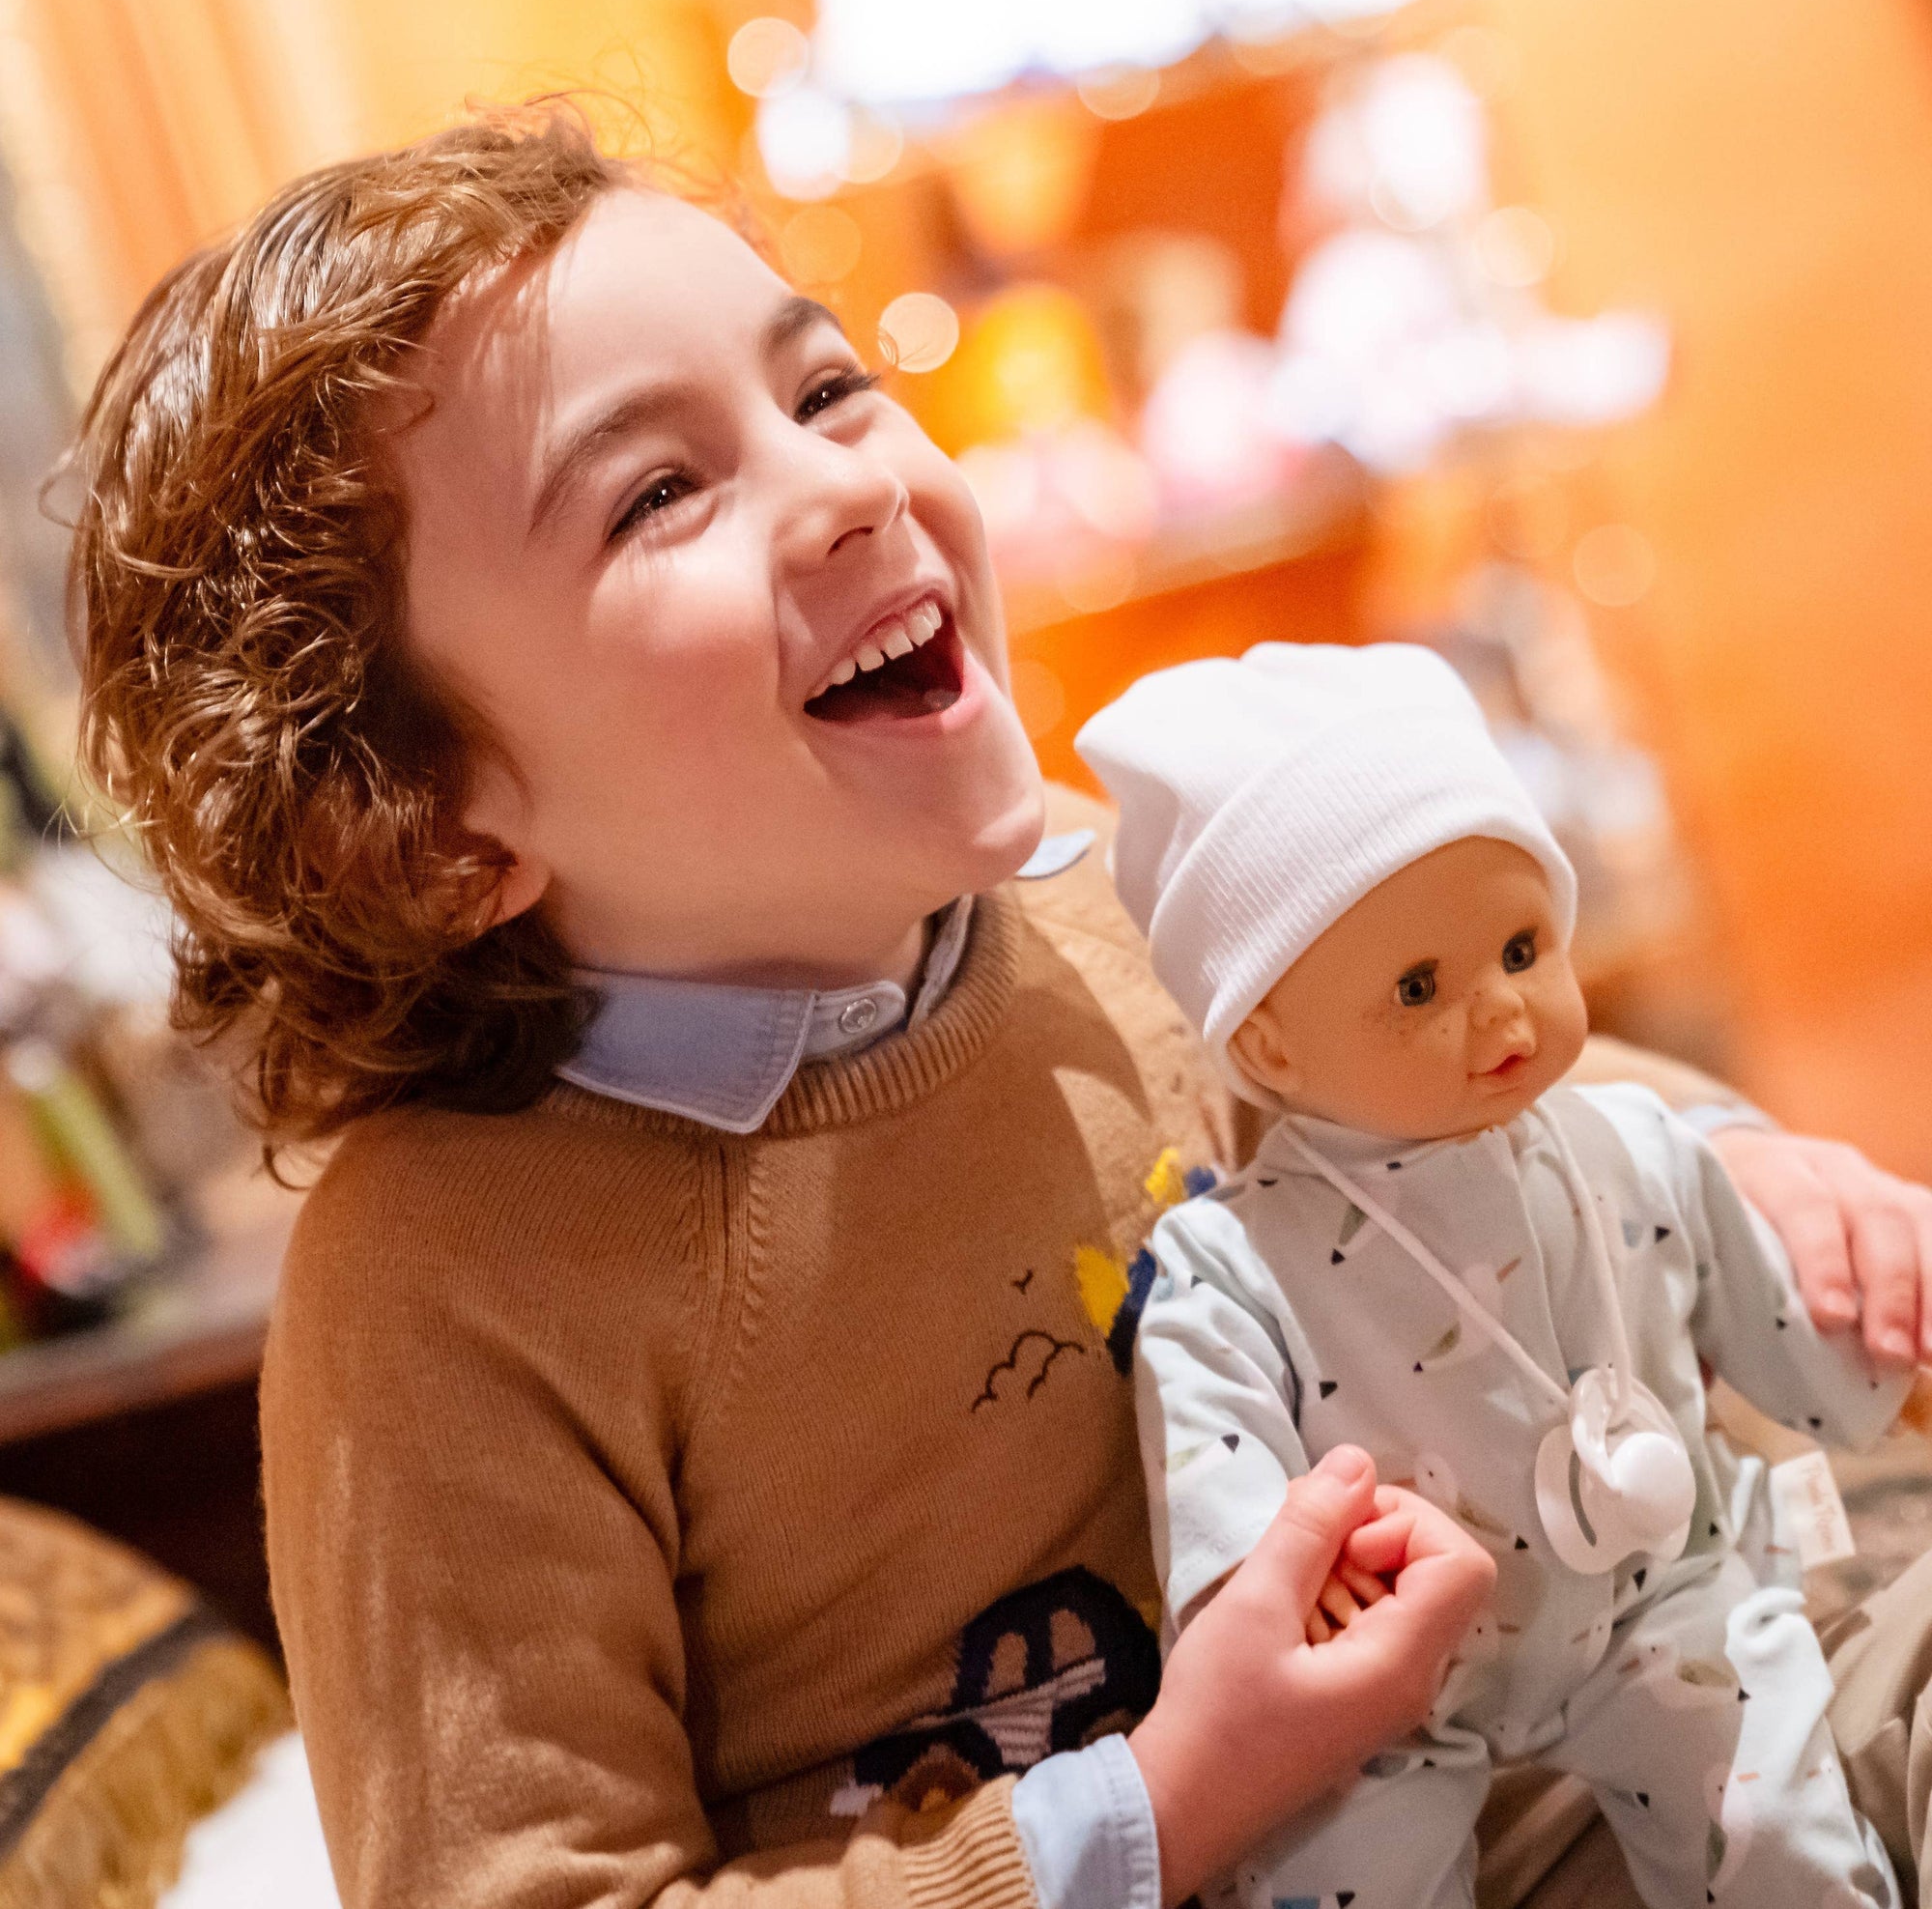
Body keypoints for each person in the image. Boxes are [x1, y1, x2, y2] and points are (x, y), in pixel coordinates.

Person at [64, 107, 1932, 1909]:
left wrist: (1741, 1165)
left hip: (1594, 1741)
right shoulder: (443, 1295)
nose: (851, 485)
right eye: (657, 494)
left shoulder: (1103, 912)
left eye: (824, 390)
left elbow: (1465, 1079)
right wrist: (1160, 1804)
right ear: (426, 834)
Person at [1078, 642, 1915, 1907]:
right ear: (1268, 1043)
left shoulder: (1629, 1143)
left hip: (1654, 1603)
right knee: (1335, 1865)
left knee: (1769, 1811)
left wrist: (1879, 1338)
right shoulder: (1227, 1262)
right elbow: (1215, 1465)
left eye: (1522, 949)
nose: (1505, 1013)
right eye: (1420, 988)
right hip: (1395, 1676)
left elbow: (1771, 1300)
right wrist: (1268, 1578)